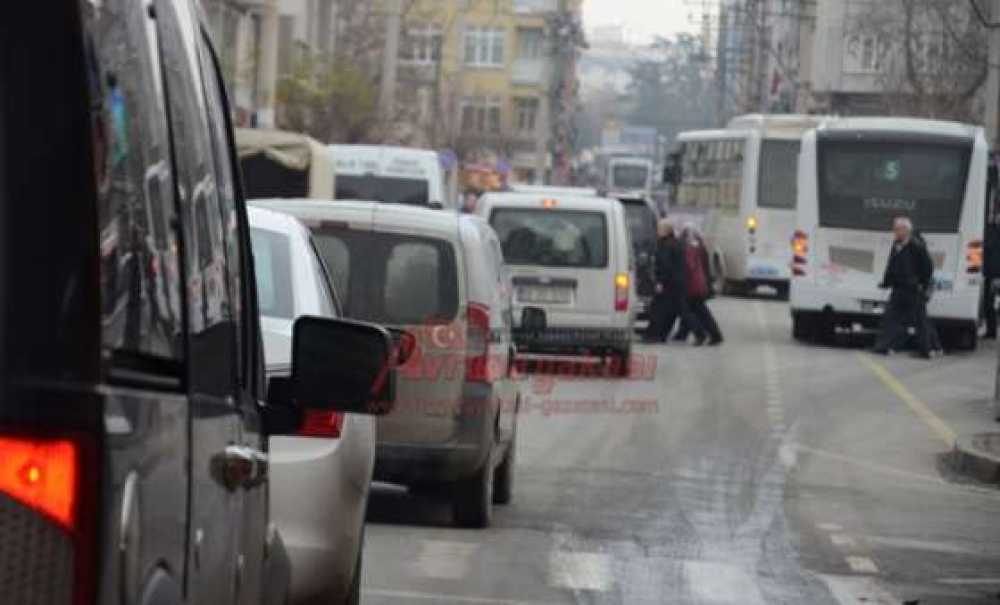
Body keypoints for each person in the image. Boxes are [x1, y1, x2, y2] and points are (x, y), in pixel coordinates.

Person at [872, 216, 936, 357]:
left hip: (913, 289)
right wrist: (886, 282)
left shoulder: (917, 246)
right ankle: (883, 346)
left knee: (920, 321)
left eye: (897, 229)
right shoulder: (897, 244)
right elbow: (892, 265)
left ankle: (927, 350)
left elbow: (928, 267)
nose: (895, 232)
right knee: (890, 318)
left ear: (906, 230)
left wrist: (921, 282)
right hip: (898, 288)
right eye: (894, 229)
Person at [645, 219, 700, 343]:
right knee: (674, 310)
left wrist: (660, 281)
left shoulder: (666, 245)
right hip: (677, 282)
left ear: (665, 231)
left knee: (660, 309)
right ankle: (658, 334)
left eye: (659, 229)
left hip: (670, 283)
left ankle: (654, 335)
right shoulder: (675, 243)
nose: (657, 231)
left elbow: (665, 265)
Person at [681, 224, 723, 346]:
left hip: (692, 284)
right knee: (701, 311)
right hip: (700, 283)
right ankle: (715, 334)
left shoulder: (690, 249)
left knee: (689, 311)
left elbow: (689, 267)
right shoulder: (699, 247)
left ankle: (701, 334)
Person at [982, 219, 1000, 339]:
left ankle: (991, 330)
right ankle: (991, 330)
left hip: (994, 274)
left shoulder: (993, 232)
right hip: (991, 273)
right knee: (990, 302)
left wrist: (997, 276)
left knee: (990, 302)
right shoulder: (992, 230)